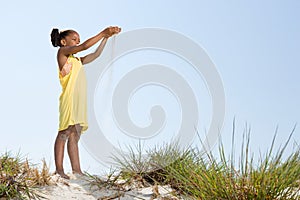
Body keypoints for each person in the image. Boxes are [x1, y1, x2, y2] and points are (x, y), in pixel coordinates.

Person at [50, 26, 121, 179]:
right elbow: (84, 47)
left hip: (79, 101)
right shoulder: (63, 54)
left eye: (78, 40)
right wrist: (102, 32)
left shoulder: (78, 61)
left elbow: (95, 55)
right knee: (64, 132)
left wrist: (105, 38)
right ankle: (59, 169)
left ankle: (77, 170)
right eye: (74, 40)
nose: (77, 43)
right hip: (69, 99)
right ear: (63, 42)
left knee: (75, 135)